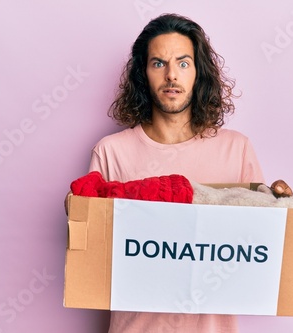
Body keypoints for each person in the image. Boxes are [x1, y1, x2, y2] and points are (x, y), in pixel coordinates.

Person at [86, 13, 264, 333]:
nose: (171, 76)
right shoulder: (111, 152)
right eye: (158, 63)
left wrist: (283, 210)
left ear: (198, 73)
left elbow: (257, 252)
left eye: (183, 63)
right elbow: (94, 255)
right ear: (143, 74)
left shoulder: (236, 150)